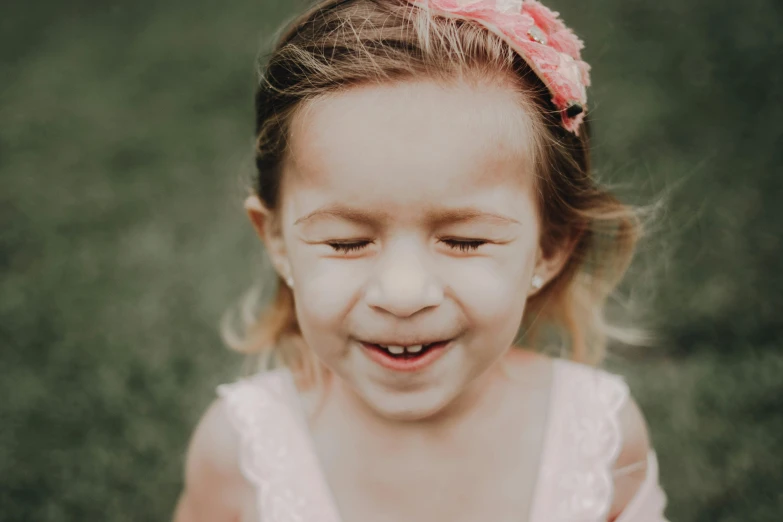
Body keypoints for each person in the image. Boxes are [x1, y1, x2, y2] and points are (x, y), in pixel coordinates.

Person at [173, 1, 669, 520]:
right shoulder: (238, 455)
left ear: (550, 246)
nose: (403, 294)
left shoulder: (600, 440)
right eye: (346, 243)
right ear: (276, 240)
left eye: (464, 241)